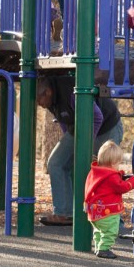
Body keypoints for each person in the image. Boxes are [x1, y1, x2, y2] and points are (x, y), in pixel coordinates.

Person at [37, 73, 124, 226]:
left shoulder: (70, 92)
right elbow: (64, 122)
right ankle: (65, 213)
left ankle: (112, 218)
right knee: (56, 163)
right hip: (79, 128)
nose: (39, 104)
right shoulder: (50, 100)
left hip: (106, 125)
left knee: (103, 172)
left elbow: (97, 117)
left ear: (48, 92)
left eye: (39, 100)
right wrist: (71, 147)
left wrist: (86, 146)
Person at [83, 140, 134, 259]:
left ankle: (99, 247)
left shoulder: (96, 172)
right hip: (107, 211)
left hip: (94, 211)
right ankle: (104, 249)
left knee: (99, 230)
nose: (119, 165)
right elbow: (121, 187)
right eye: (119, 163)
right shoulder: (111, 176)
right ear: (113, 163)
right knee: (110, 231)